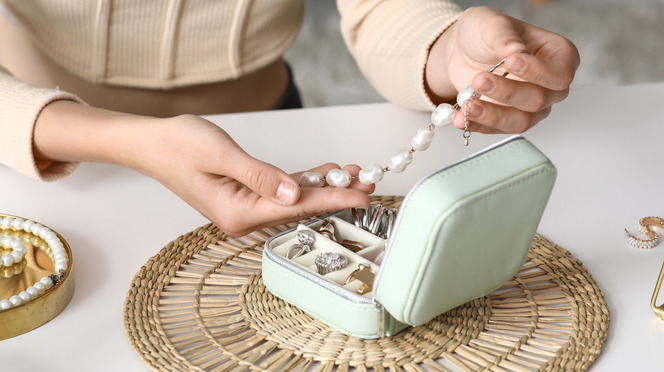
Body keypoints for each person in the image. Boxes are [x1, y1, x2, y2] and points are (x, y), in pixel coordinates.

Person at [0, 1, 579, 237]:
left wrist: (447, 48)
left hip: (273, 141)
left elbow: (380, 10)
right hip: (39, 161)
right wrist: (127, 142)